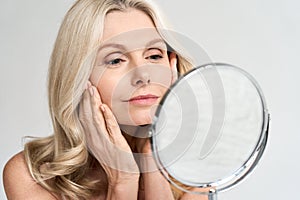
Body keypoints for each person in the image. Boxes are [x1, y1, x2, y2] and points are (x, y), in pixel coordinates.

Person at [3, 0, 207, 199]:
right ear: (79, 77)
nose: (143, 75)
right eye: (115, 60)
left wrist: (151, 157)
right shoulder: (31, 175)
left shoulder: (194, 169)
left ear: (172, 66)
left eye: (154, 56)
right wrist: (123, 180)